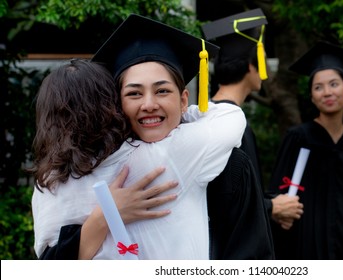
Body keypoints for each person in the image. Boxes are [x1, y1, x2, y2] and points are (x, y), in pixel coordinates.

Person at [32, 14, 246, 260]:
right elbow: (231, 116)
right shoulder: (166, 154)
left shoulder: (49, 183)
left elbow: (48, 260)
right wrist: (183, 114)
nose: (149, 104)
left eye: (162, 91)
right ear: (113, 105)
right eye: (134, 94)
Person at [201, 9, 302, 259]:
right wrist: (271, 207)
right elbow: (225, 199)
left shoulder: (207, 117)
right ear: (250, 66)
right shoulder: (232, 126)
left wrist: (270, 203)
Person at [268, 41, 343, 260]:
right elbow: (276, 193)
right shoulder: (299, 138)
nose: (327, 92)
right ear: (311, 97)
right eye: (318, 87)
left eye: (334, 84)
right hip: (305, 249)